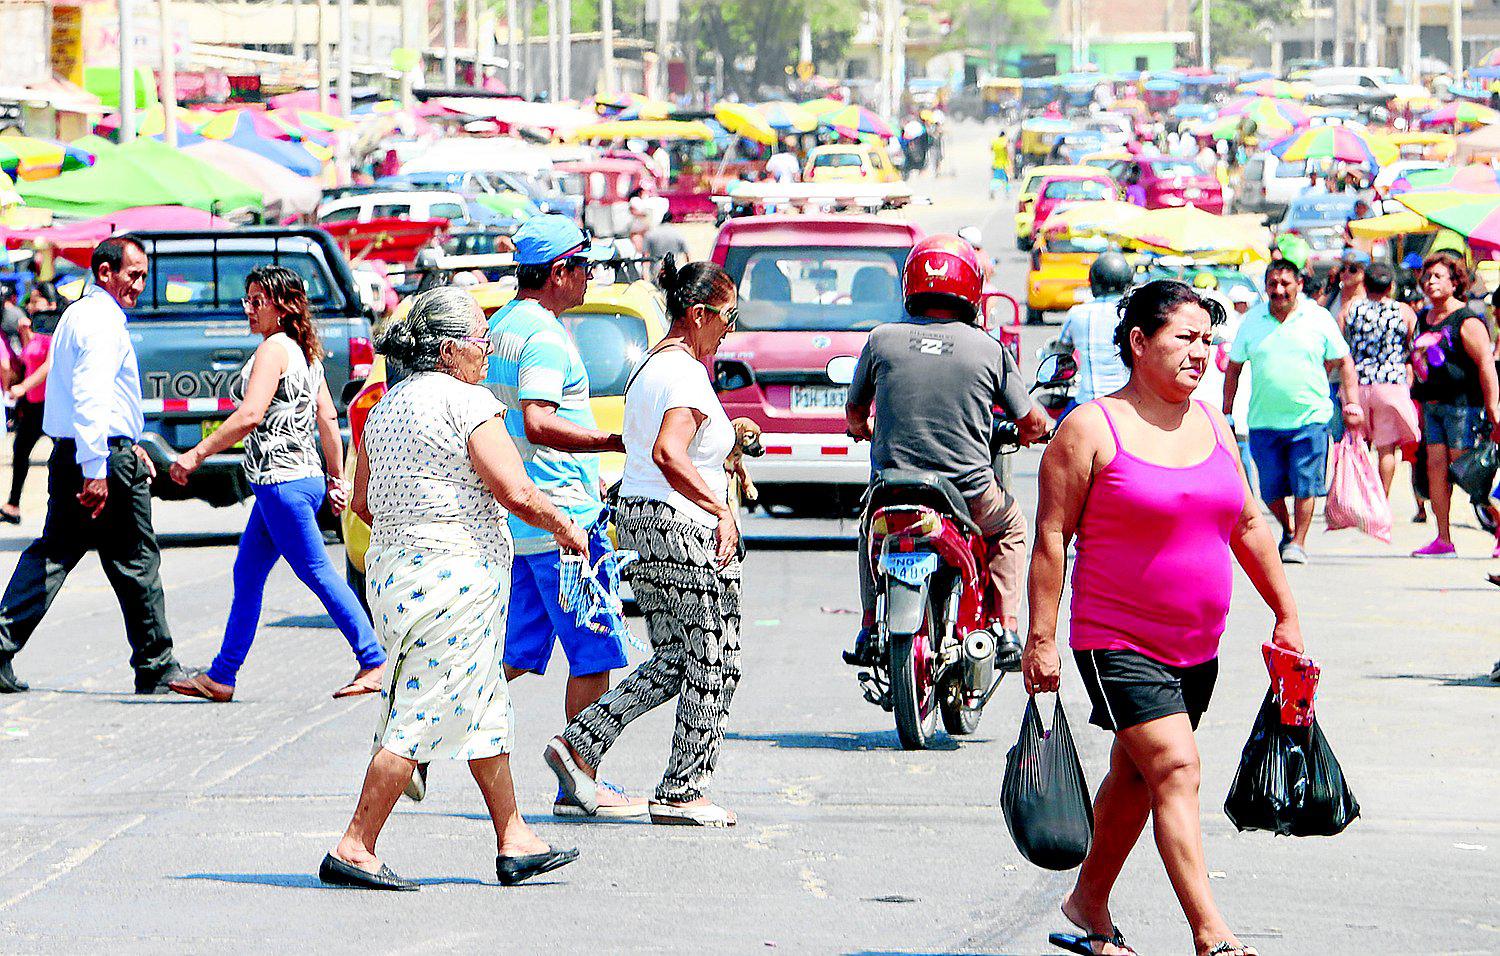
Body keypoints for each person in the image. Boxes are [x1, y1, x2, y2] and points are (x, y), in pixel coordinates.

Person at [1024, 279, 1301, 956]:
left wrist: (1286, 614)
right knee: (1175, 767)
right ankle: (1212, 934)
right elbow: (1052, 537)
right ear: (1139, 342)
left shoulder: (1213, 423)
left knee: (1134, 775)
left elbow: (1247, 524)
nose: (1200, 353)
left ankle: (1087, 902)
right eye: (1185, 337)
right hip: (1116, 638)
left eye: (1207, 340)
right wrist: (1041, 638)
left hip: (1197, 645)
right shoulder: (1090, 428)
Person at [321, 287, 587, 891]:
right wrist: (566, 527)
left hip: (397, 577)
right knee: (417, 717)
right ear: (447, 350)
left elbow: (362, 503)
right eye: (478, 340)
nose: (487, 350)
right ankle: (355, 845)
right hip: (453, 581)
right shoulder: (469, 403)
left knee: (484, 708)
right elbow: (515, 491)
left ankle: (514, 838)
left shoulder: (387, 407)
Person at [545, 258, 744, 828]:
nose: (729, 330)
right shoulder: (685, 374)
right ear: (698, 314)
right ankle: (683, 790)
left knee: (677, 657)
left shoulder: (651, 365)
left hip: (640, 519)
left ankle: (579, 744)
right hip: (680, 525)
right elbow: (668, 452)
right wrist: (719, 510)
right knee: (715, 658)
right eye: (727, 317)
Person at [484, 215, 643, 819]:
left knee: (514, 655)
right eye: (585, 267)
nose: (590, 278)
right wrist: (611, 442)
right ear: (559, 272)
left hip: (523, 517)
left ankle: (419, 738)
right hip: (564, 524)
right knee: (595, 652)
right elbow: (538, 421)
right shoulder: (545, 336)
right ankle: (581, 777)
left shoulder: (500, 327)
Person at [164, 266, 385, 702]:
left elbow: (250, 415)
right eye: (247, 300)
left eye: (257, 302)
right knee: (247, 573)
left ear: (282, 307)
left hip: (281, 483)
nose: (249, 309)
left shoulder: (273, 350)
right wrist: (334, 478)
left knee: (317, 571)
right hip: (295, 481)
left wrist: (196, 453)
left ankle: (373, 659)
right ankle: (222, 676)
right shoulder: (305, 351)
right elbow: (327, 418)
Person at [844, 235, 1051, 671]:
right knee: (1011, 526)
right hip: (969, 494)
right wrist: (1038, 431)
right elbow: (1032, 422)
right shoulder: (988, 349)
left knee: (868, 533)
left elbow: (856, 412)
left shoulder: (881, 340)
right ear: (971, 288)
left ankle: (867, 625)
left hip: (892, 490)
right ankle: (1007, 628)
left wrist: (863, 428)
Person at [0, 237, 186, 695]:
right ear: (105, 272)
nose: (139, 285)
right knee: (136, 561)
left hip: (87, 453)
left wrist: (122, 447)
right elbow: (90, 396)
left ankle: (0, 645)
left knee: (54, 554)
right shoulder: (100, 321)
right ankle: (157, 666)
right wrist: (98, 469)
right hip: (98, 458)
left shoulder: (80, 314)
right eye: (132, 275)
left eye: (143, 276)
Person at [1223, 260, 1362, 564]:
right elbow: (1233, 368)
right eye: (1272, 284)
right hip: (1263, 421)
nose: (1279, 290)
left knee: (1305, 483)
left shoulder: (1318, 317)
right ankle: (1287, 529)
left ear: (1298, 284)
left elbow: (1344, 360)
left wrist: (1352, 402)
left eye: (1285, 283)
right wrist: (1227, 414)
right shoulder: (1253, 320)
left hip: (1310, 419)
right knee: (1269, 490)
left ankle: (1298, 541)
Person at [1409, 252, 1500, 557]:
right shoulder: (1424, 318)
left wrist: (1493, 407)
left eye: (1438, 276)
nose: (1430, 282)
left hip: (1463, 407)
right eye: (1427, 277)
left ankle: (1498, 524)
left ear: (1455, 282)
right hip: (1432, 405)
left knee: (1468, 473)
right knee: (1436, 470)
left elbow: (1485, 364)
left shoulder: (1467, 320)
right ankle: (1443, 538)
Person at [1342, 263, 1420, 498]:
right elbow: (1414, 346)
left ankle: (1361, 497)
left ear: (1365, 285)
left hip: (1357, 385)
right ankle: (1381, 499)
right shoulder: (1403, 311)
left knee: (1359, 444)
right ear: (1391, 286)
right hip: (1391, 385)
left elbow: (1341, 347)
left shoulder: (1350, 310)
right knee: (1386, 448)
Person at [1056, 251, 1134, 413]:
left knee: (1059, 428)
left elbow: (1060, 354)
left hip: (1088, 402)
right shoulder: (1134, 313)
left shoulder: (1077, 313)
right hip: (1130, 404)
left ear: (1093, 281)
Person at [2, 313, 52, 523]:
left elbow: (48, 365)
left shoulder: (51, 333)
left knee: (64, 456)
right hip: (32, 405)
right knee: (20, 450)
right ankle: (13, 505)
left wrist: (24, 386)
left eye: (36, 301)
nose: (31, 307)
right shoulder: (34, 334)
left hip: (49, 404)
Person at [990, 129, 1012, 197]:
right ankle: (1007, 193)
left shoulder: (995, 142)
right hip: (1004, 164)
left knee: (995, 179)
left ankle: (992, 191)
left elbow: (991, 149)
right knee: (1006, 179)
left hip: (996, 164)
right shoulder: (1006, 141)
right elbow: (1007, 151)